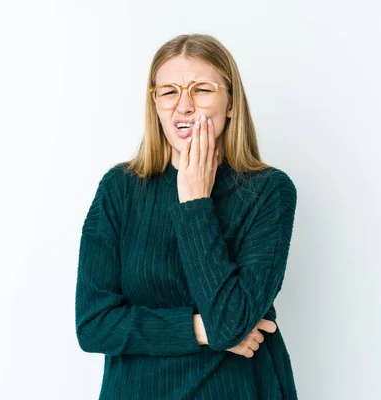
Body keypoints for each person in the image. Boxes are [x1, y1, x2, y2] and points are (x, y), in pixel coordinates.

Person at [75, 33, 298, 399]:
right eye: (168, 92)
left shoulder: (269, 191)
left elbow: (229, 322)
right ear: (156, 106)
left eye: (202, 90)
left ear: (231, 103)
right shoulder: (120, 188)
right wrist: (198, 329)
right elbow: (94, 326)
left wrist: (195, 200)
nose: (184, 106)